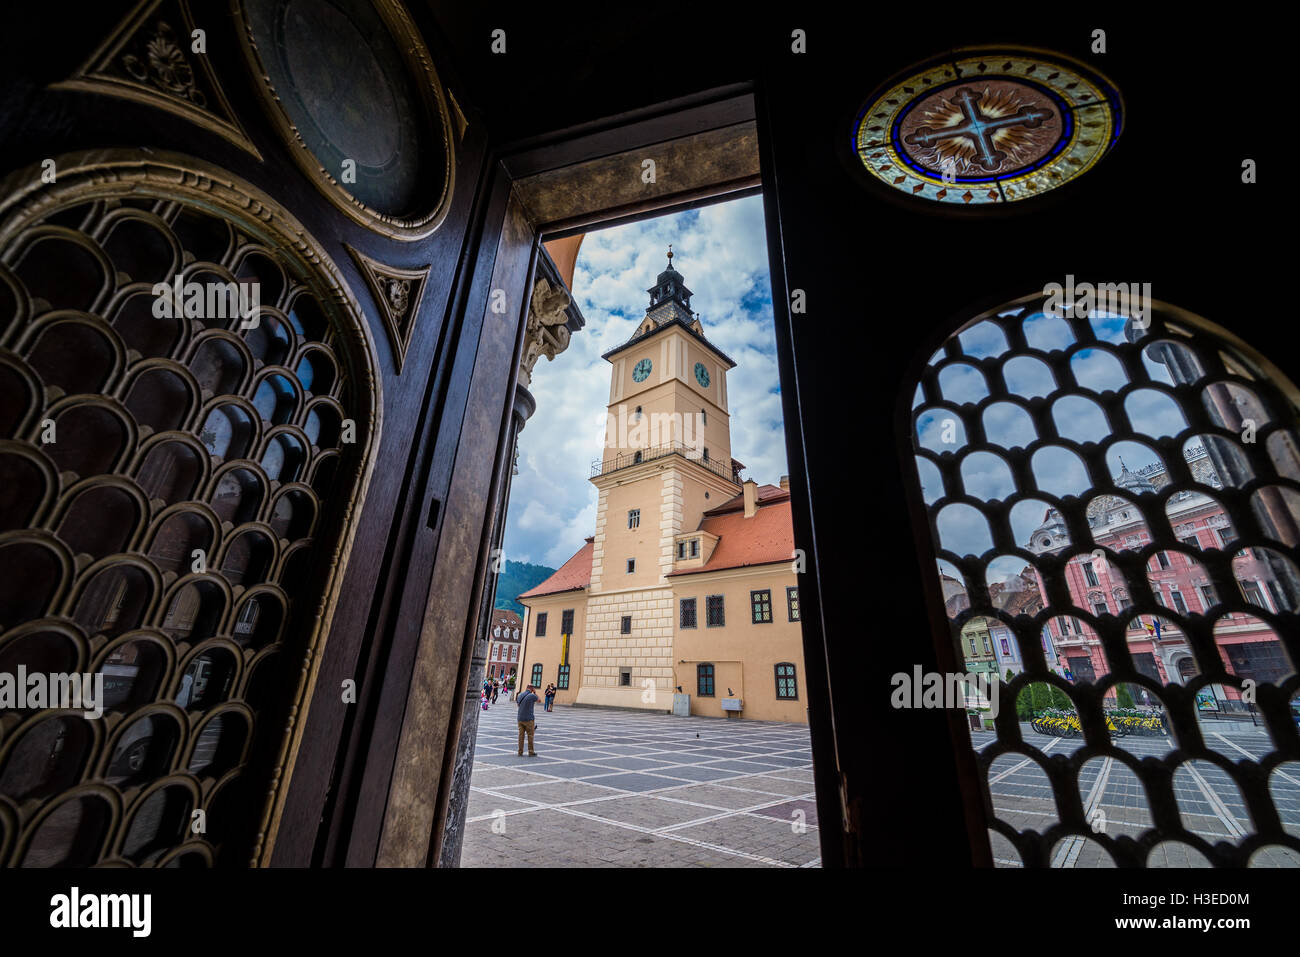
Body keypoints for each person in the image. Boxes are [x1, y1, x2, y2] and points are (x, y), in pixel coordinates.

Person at [516, 684, 539, 756]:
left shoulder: (520, 695)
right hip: (529, 718)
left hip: (520, 718)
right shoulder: (532, 695)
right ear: (532, 688)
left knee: (521, 736)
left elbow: (518, 705)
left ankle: (520, 752)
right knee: (530, 735)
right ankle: (531, 752)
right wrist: (535, 693)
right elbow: (539, 700)